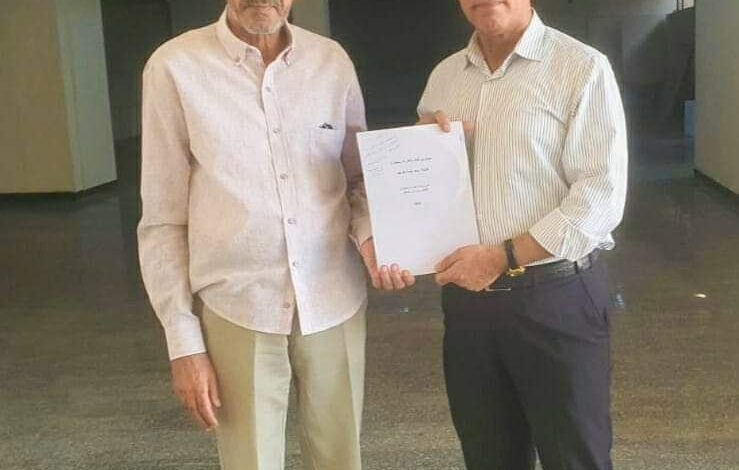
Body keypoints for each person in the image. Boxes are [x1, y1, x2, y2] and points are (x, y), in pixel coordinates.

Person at [137, 1, 413, 469]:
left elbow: (357, 179)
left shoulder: (331, 61)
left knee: (340, 461)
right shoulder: (175, 66)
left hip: (334, 300)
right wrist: (183, 343)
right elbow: (163, 219)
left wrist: (370, 238)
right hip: (238, 305)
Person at [418, 1, 628, 469]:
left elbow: (600, 196)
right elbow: (427, 185)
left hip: (557, 300)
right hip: (470, 306)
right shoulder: (445, 77)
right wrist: (419, 147)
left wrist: (505, 255)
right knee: (488, 455)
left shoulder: (580, 66)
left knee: (574, 456)